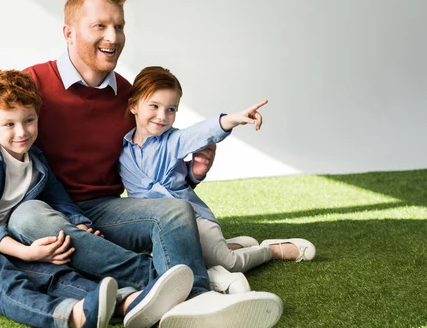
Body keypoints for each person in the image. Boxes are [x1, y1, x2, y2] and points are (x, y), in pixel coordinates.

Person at [0, 0, 284, 328]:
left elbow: (155, 160)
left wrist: (192, 174)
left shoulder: (130, 98)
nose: (113, 37)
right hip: (39, 213)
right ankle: (178, 287)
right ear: (68, 32)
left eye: (119, 26)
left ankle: (196, 300)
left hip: (99, 211)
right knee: (28, 215)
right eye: (100, 26)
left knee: (175, 210)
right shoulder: (28, 87)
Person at [0, 69, 199, 328]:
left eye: (28, 121)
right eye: (9, 124)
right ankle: (73, 316)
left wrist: (80, 224)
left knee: (55, 274)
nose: (21, 132)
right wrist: (26, 251)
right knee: (4, 279)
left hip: (7, 241)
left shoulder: (36, 160)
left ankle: (128, 301)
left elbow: (59, 198)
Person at [119, 67, 316, 292]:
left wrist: (233, 119)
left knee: (228, 263)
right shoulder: (124, 150)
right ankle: (230, 246)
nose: (162, 116)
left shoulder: (173, 140)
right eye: (154, 106)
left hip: (192, 218)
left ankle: (270, 250)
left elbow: (201, 132)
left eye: (171, 109)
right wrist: (193, 172)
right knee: (163, 266)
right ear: (134, 105)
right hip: (156, 226)